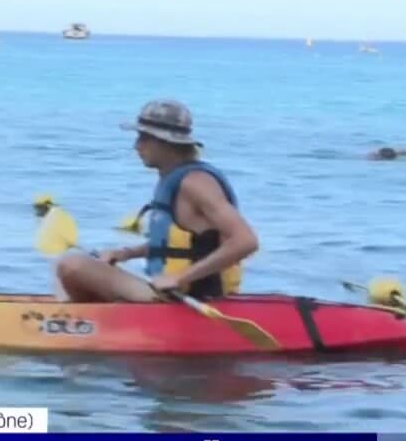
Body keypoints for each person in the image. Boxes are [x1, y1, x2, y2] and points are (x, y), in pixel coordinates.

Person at [54, 99, 259, 303]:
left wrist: (180, 278)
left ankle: (86, 325)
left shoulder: (196, 183)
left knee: (72, 266)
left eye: (143, 138)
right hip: (167, 294)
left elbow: (245, 241)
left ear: (166, 142)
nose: (136, 146)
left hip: (190, 299)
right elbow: (179, 246)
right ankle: (92, 324)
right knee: (62, 276)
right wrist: (124, 254)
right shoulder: (172, 178)